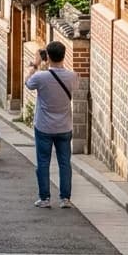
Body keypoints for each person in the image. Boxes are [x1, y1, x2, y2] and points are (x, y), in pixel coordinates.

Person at [25, 41, 79, 208]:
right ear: (64, 55)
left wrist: (35, 64)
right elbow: (74, 89)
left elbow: (28, 83)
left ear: (47, 56)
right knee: (65, 163)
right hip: (64, 126)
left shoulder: (41, 77)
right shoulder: (72, 76)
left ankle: (45, 198)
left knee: (43, 162)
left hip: (44, 126)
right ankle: (65, 198)